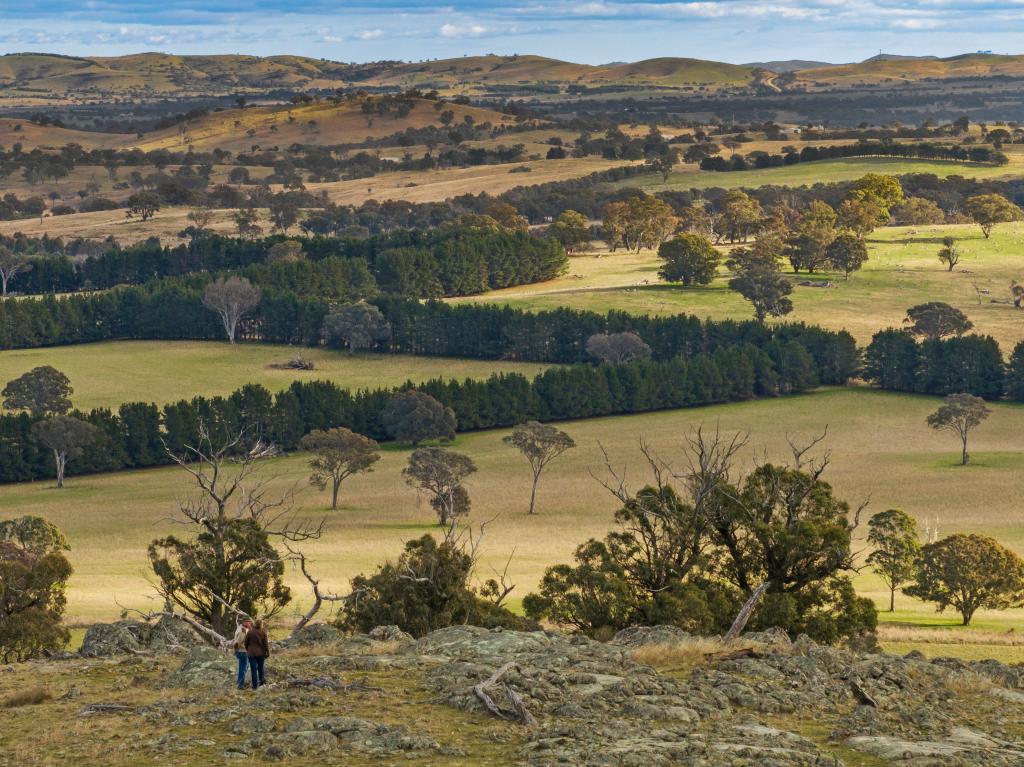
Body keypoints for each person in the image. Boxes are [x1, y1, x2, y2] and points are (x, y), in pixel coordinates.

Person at [245, 619, 270, 689]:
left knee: (253, 670)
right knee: (260, 668)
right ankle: (261, 683)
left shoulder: (250, 632)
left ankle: (254, 686)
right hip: (261, 653)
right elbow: (266, 644)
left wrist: (248, 649)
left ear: (255, 624)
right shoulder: (263, 632)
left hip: (251, 653)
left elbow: (245, 643)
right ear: (261, 624)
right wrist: (268, 652)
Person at [232, 618, 253, 690]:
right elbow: (238, 642)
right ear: (244, 622)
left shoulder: (242, 628)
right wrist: (235, 650)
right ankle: (240, 685)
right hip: (242, 651)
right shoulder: (242, 631)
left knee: (243, 667)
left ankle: (239, 682)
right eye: (247, 622)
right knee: (244, 668)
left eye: (250, 622)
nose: (249, 623)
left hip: (243, 651)